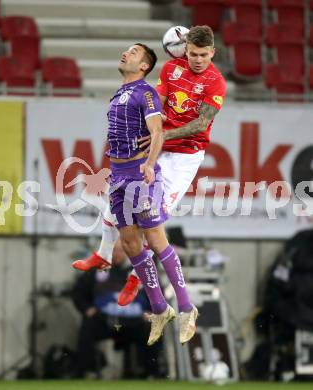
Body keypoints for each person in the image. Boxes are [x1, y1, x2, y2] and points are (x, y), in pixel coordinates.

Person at [73, 26, 226, 307]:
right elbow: (159, 103)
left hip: (184, 158)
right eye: (193, 54)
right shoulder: (170, 70)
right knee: (118, 201)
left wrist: (162, 134)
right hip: (157, 148)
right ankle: (104, 253)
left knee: (152, 220)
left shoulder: (216, 82)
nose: (198, 60)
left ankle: (137, 277)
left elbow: (202, 124)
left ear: (212, 53)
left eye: (204, 55)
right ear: (185, 50)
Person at [71, 240, 164, 378]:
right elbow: (78, 292)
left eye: (120, 250)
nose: (116, 254)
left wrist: (152, 312)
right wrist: (87, 309)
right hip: (104, 321)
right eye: (114, 251)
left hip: (135, 322)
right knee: (88, 326)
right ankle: (85, 371)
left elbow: (158, 296)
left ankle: (151, 372)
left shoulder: (142, 270)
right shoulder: (97, 269)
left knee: (153, 327)